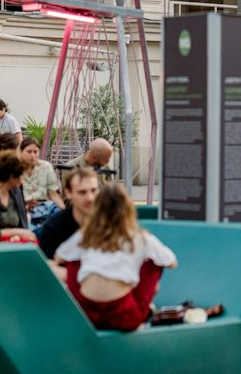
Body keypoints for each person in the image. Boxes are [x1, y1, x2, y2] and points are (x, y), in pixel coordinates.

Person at [55, 183, 176, 331]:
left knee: (74, 259)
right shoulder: (140, 237)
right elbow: (171, 261)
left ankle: (77, 304)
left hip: (87, 313)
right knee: (155, 262)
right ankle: (142, 309)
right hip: (123, 314)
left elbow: (59, 256)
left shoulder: (85, 235)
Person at [37, 166, 101, 259]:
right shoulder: (54, 228)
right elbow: (46, 266)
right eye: (82, 192)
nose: (90, 198)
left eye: (94, 190)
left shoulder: (111, 222)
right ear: (68, 193)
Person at [20, 137, 63, 225]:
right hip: (21, 208)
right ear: (21, 152)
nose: (33, 155)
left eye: (35, 152)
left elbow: (53, 194)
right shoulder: (14, 168)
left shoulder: (46, 167)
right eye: (29, 152)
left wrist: (65, 212)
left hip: (44, 208)